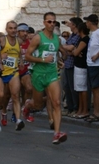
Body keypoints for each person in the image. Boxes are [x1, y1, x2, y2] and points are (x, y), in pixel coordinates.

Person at [24, 12, 68, 144]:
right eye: (49, 21)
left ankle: (56, 133)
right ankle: (28, 105)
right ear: (44, 22)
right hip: (38, 74)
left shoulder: (56, 38)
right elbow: (27, 56)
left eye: (54, 22)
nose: (52, 24)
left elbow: (62, 52)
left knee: (57, 103)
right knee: (37, 105)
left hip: (52, 74)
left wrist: (61, 60)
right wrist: (43, 59)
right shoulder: (38, 38)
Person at [0, 21, 25, 130]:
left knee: (15, 95)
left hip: (14, 71)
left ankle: (18, 120)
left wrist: (21, 61)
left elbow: (18, 54)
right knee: (5, 96)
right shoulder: (2, 41)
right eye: (11, 28)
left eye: (15, 28)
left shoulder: (19, 41)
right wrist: (0, 58)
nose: (13, 30)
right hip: (3, 72)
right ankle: (4, 112)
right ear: (7, 29)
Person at [61, 17, 83, 116]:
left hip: (74, 64)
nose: (68, 25)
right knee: (66, 86)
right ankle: (69, 108)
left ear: (74, 25)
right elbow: (68, 47)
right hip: (67, 63)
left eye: (70, 23)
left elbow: (72, 47)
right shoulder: (72, 36)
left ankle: (75, 108)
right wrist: (67, 49)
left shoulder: (78, 36)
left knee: (73, 87)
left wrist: (64, 47)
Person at [70, 23, 90, 119]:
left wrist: (75, 51)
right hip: (78, 66)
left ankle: (84, 110)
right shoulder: (81, 40)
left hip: (82, 66)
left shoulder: (84, 40)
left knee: (82, 89)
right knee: (79, 89)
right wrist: (75, 50)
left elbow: (75, 52)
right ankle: (80, 110)